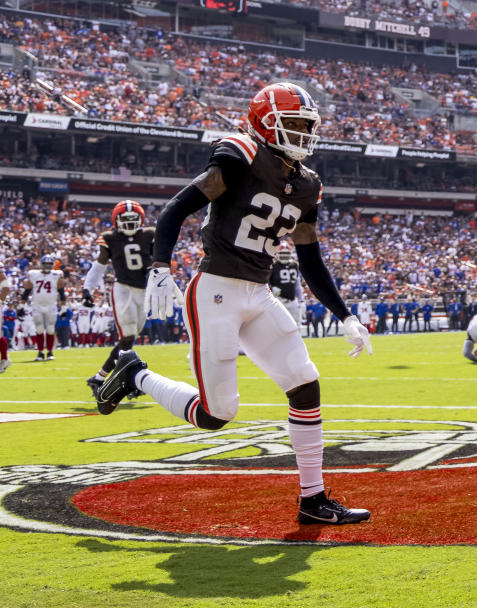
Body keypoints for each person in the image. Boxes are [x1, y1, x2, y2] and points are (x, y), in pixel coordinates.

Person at [94, 82, 372, 525]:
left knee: (305, 384)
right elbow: (177, 208)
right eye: (294, 125)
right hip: (216, 292)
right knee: (216, 414)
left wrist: (347, 315)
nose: (303, 134)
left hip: (258, 295)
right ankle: (136, 374)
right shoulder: (241, 152)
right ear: (266, 123)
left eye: (307, 126)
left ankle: (313, 499)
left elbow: (310, 259)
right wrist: (161, 265)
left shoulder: (307, 185)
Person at [83, 201, 155, 396]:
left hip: (144, 291)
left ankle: (99, 379)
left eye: (134, 220)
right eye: (126, 220)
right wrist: (87, 289)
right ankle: (125, 380)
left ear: (141, 220)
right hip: (123, 289)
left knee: (129, 340)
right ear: (117, 221)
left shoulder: (149, 235)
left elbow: (158, 259)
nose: (130, 224)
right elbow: (99, 266)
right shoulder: (110, 239)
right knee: (127, 337)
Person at [23, 255, 65, 361]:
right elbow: (26, 291)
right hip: (37, 305)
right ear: (41, 265)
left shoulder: (57, 275)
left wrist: (63, 308)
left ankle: (50, 352)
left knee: (50, 329)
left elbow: (62, 293)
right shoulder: (33, 274)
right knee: (39, 329)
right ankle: (41, 352)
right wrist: (21, 306)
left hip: (51, 306)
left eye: (49, 264)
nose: (47, 266)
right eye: (45, 264)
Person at [269, 246, 306, 331]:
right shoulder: (274, 266)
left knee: (296, 326)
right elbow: (266, 284)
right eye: (283, 254)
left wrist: (301, 300)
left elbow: (297, 284)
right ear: (278, 254)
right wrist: (272, 289)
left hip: (292, 301)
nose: (284, 256)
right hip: (278, 300)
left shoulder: (294, 265)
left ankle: (296, 344)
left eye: (286, 254)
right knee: (278, 326)